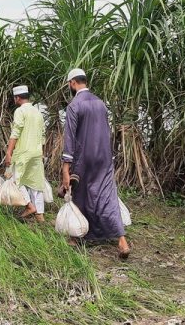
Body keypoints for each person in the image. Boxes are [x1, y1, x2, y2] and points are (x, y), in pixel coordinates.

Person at [61, 68, 130, 258]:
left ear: (72, 83)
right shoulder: (100, 103)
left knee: (80, 195)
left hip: (84, 158)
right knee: (107, 196)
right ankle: (122, 241)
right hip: (104, 157)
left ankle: (76, 237)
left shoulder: (74, 105)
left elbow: (70, 139)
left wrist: (66, 167)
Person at [5, 85, 47, 223]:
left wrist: (9, 152)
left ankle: (29, 206)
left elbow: (15, 132)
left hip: (23, 152)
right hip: (36, 152)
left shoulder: (20, 111)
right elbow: (43, 135)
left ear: (17, 98)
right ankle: (40, 215)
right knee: (36, 183)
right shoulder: (37, 112)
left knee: (16, 180)